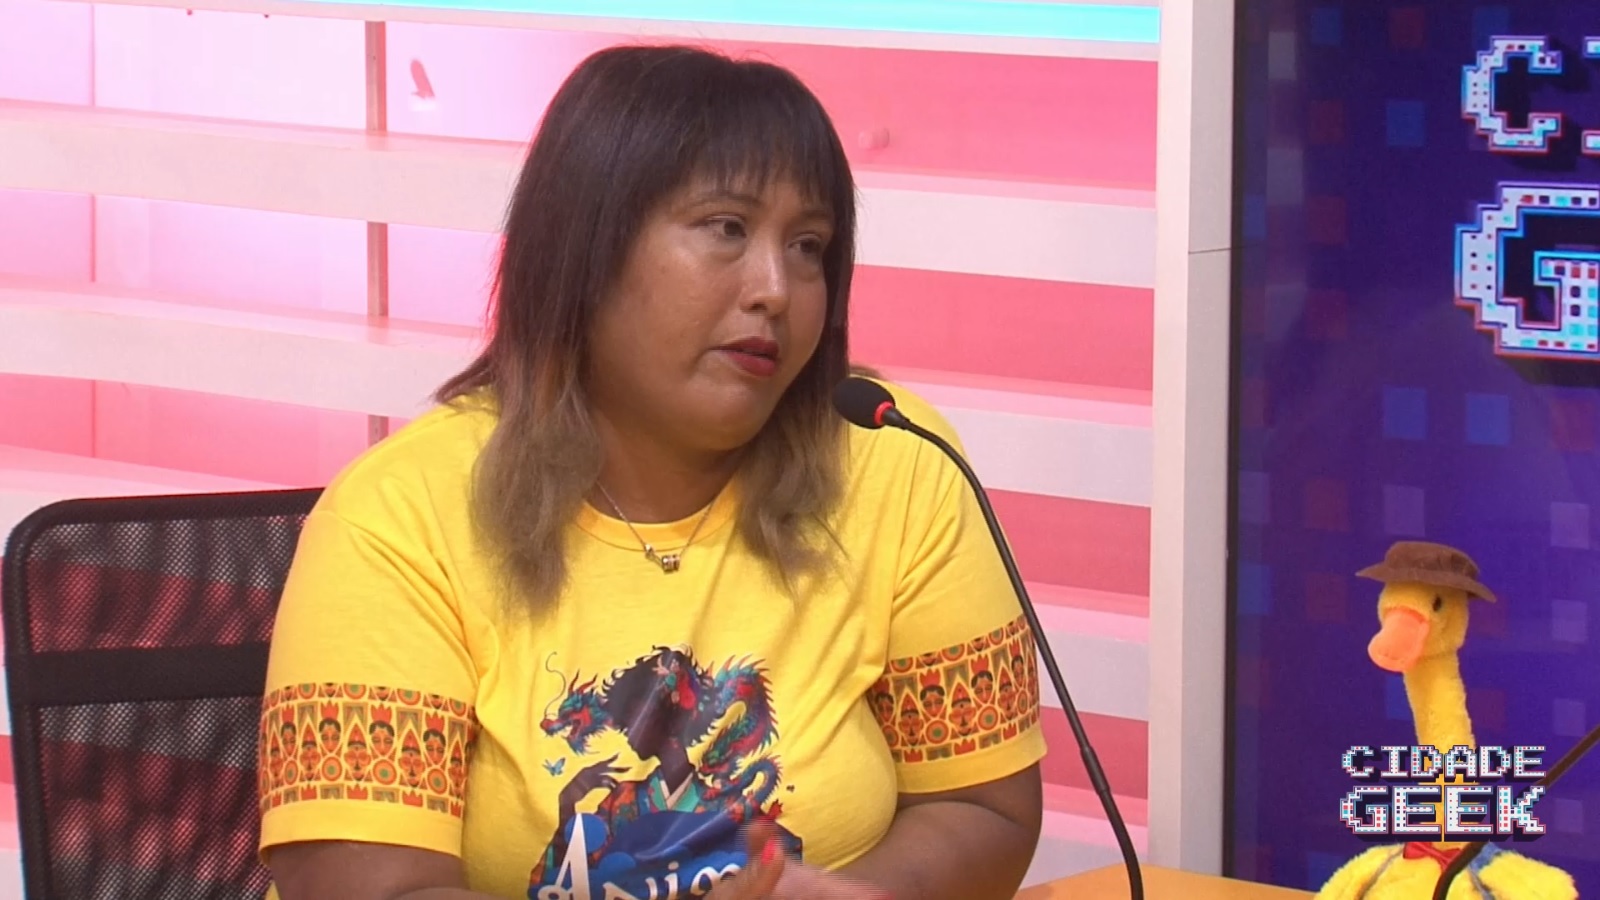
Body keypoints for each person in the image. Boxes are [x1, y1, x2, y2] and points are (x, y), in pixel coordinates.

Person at [257, 43, 1046, 900]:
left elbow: (984, 808)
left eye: (809, 246)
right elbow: (374, 889)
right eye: (726, 228)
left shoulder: (893, 460)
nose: (776, 288)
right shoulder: (397, 516)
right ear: (586, 248)